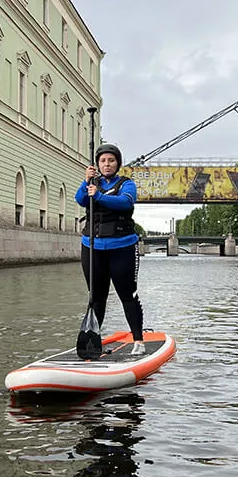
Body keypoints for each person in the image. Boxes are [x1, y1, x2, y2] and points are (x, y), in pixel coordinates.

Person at [75, 143, 145, 355]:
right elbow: (80, 199)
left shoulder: (127, 184)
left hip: (122, 247)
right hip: (93, 246)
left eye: (111, 160)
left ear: (117, 164)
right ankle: (93, 341)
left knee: (127, 295)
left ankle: (139, 341)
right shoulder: (91, 183)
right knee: (96, 297)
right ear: (98, 164)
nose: (107, 164)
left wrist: (98, 196)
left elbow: (125, 203)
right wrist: (86, 181)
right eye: (103, 161)